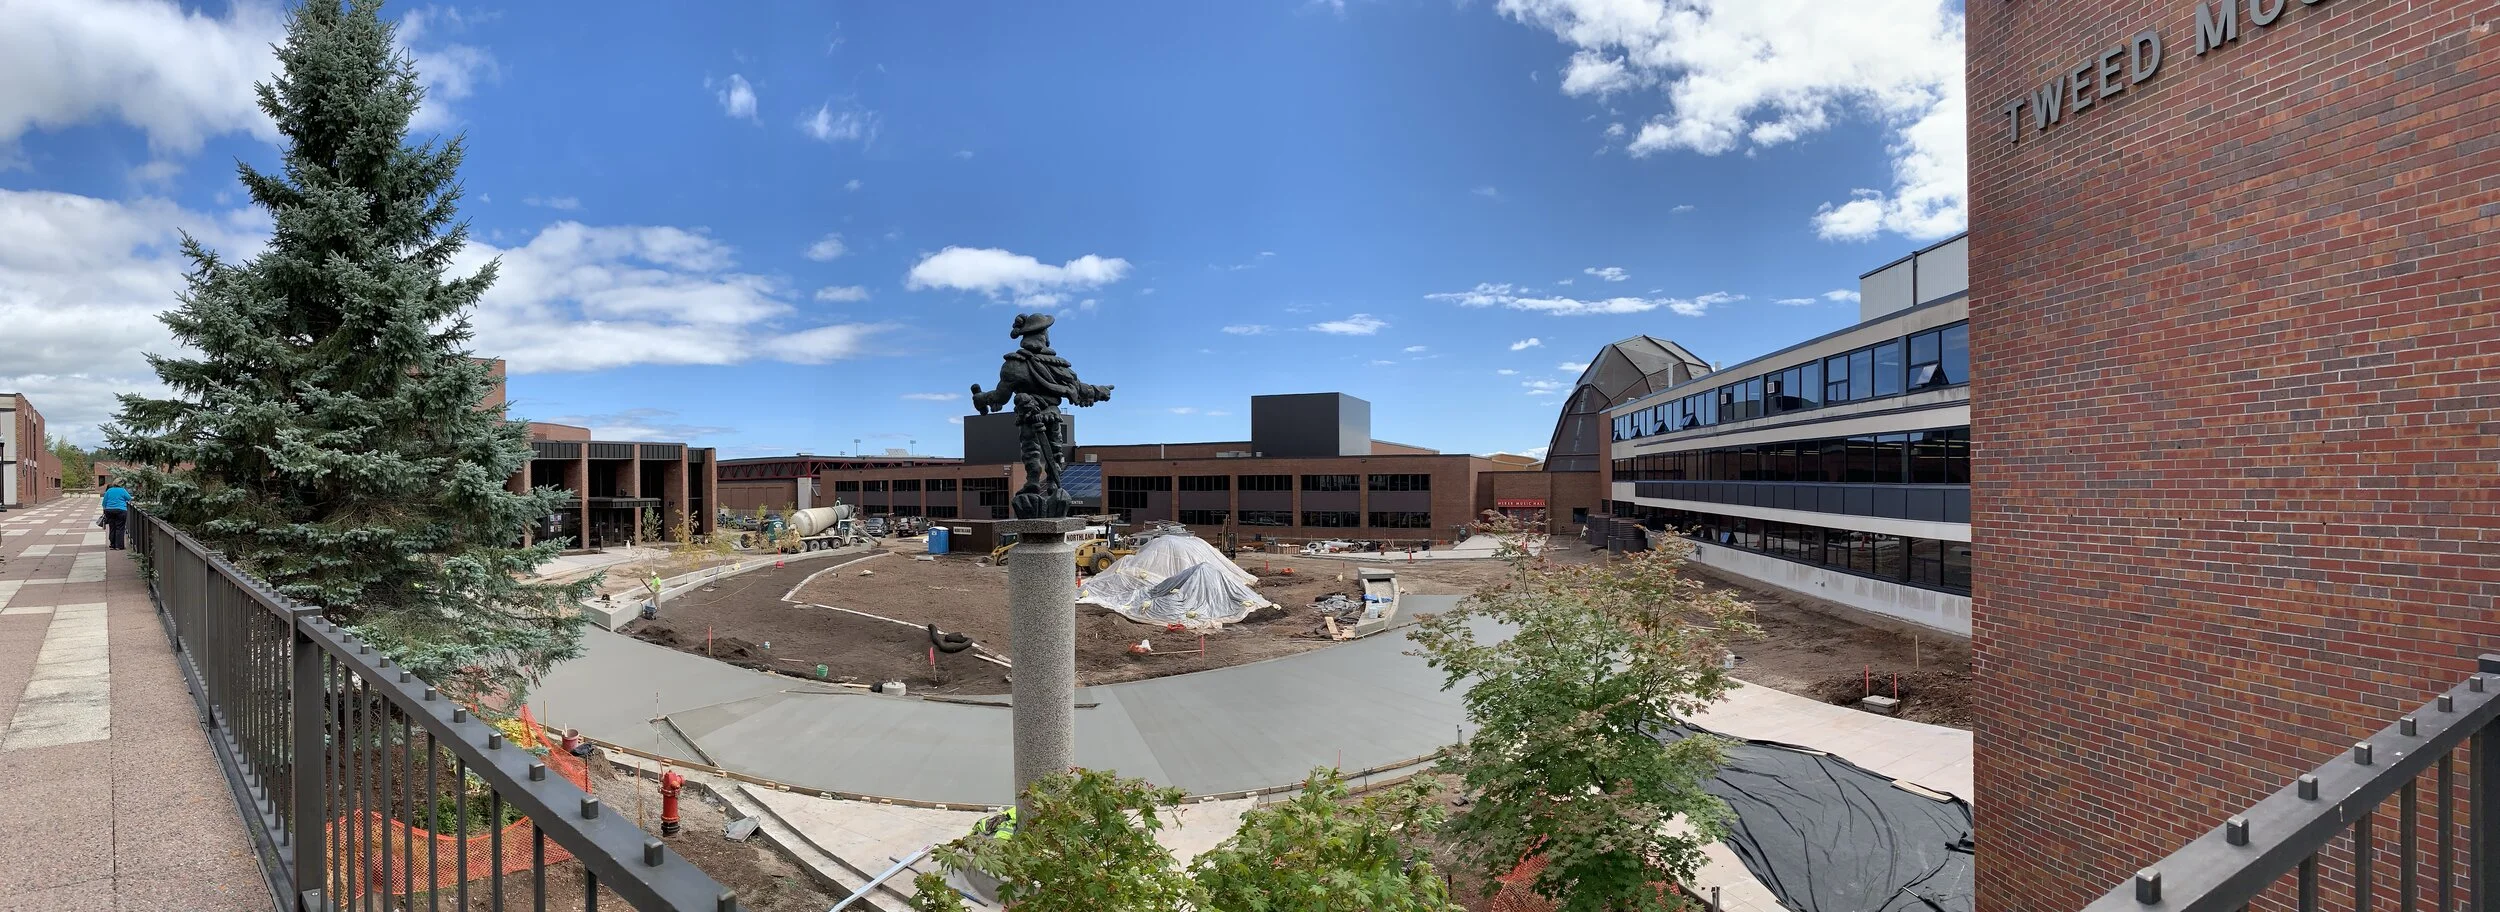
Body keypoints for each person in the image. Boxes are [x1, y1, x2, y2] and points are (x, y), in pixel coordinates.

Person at [101, 482, 132, 550]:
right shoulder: (122, 490)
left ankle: (112, 545)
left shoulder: (109, 490)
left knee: (112, 527)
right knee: (120, 528)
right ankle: (119, 546)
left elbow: (104, 503)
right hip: (121, 510)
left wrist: (105, 511)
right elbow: (129, 498)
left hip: (109, 511)